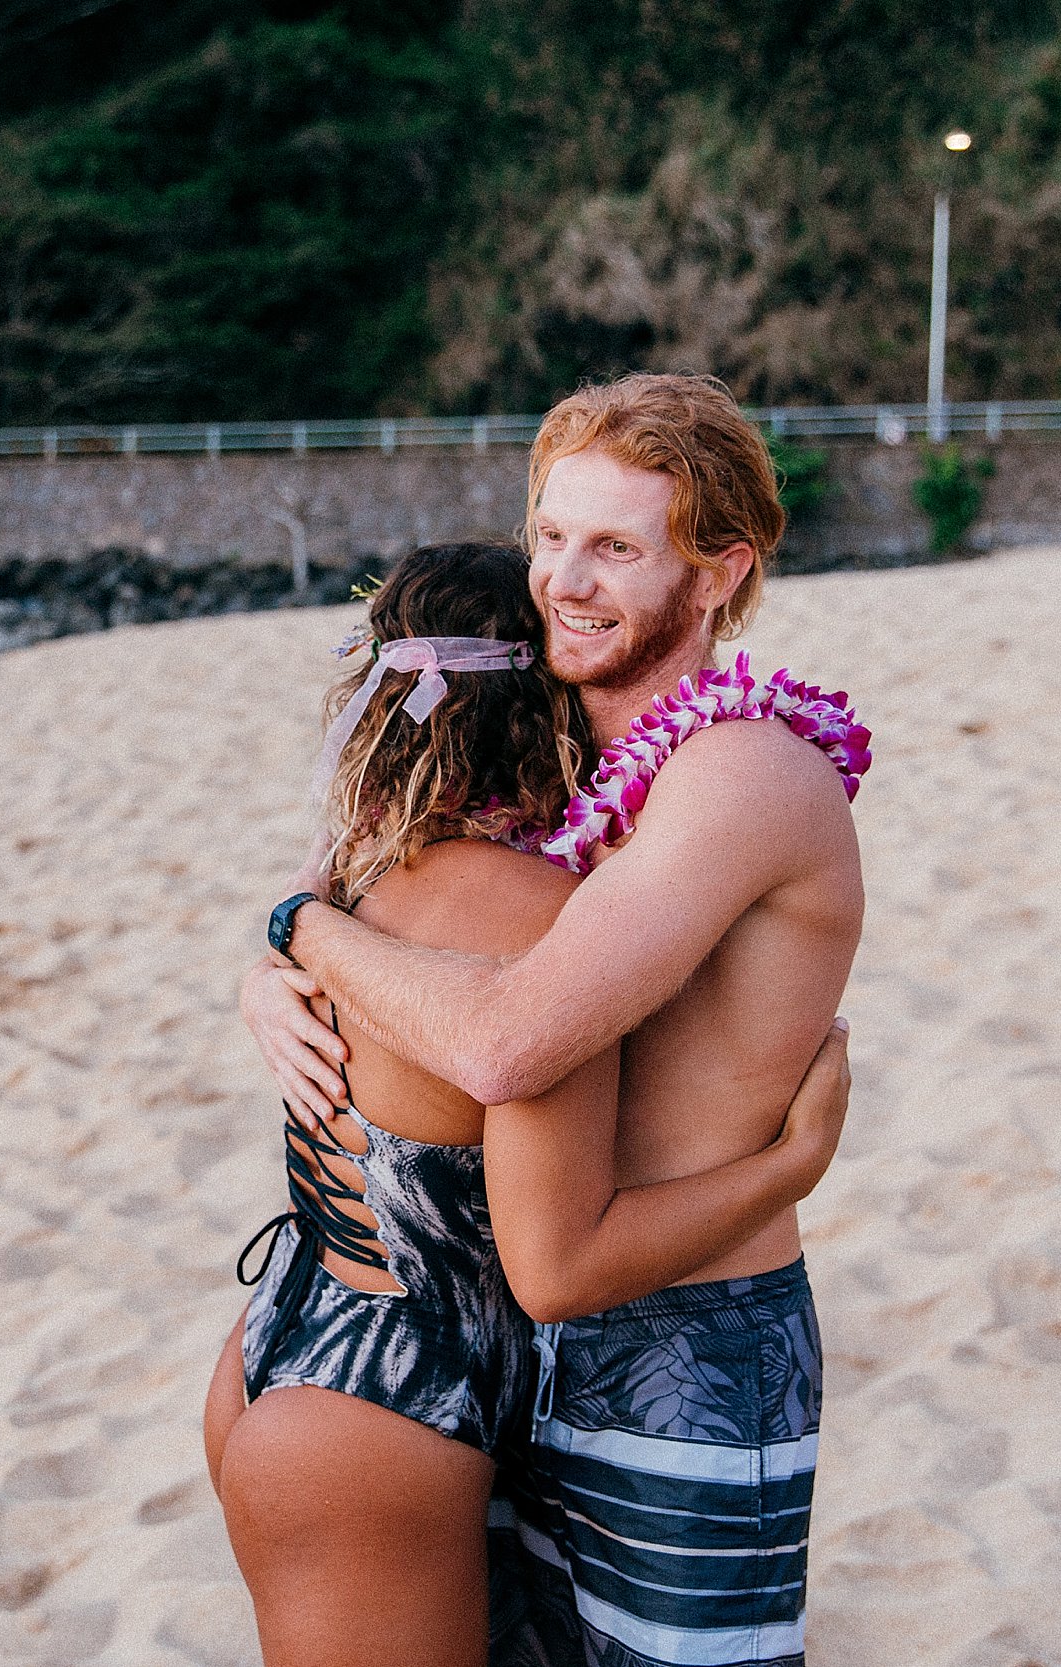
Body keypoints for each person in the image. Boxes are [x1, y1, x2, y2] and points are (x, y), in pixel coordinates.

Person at [241, 374, 870, 1667]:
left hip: (677, 1342)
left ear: (717, 573)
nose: (563, 581)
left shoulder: (741, 770)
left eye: (617, 548)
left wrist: (302, 933)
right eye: (550, 534)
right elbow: (370, 872)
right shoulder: (542, 753)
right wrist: (282, 948)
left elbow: (507, 1041)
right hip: (497, 1335)